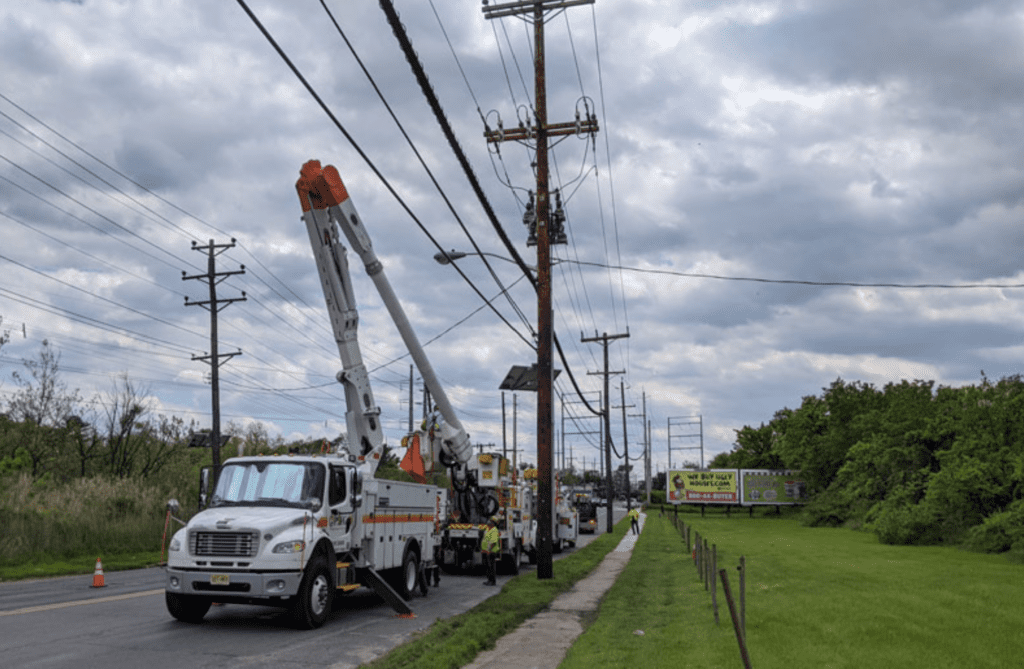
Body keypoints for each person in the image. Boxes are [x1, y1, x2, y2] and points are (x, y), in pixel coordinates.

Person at [481, 516, 500, 586]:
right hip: (486, 551)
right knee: (487, 566)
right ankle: (489, 580)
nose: (489, 522)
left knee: (491, 567)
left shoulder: (494, 530)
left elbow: (493, 542)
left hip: (491, 551)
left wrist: (488, 550)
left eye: (491, 521)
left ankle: (492, 581)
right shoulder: (488, 529)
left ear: (493, 523)